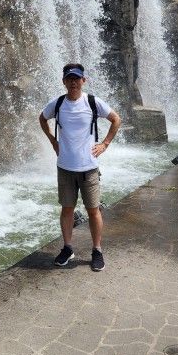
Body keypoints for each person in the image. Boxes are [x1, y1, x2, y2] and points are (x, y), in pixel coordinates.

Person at [39, 63, 121, 271]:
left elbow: (115, 119)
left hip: (88, 167)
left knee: (93, 210)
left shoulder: (92, 102)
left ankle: (97, 250)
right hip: (65, 167)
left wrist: (105, 144)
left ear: (83, 80)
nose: (73, 82)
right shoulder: (57, 104)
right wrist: (52, 140)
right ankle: (67, 248)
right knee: (67, 209)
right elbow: (42, 118)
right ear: (64, 81)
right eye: (69, 79)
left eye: (77, 79)